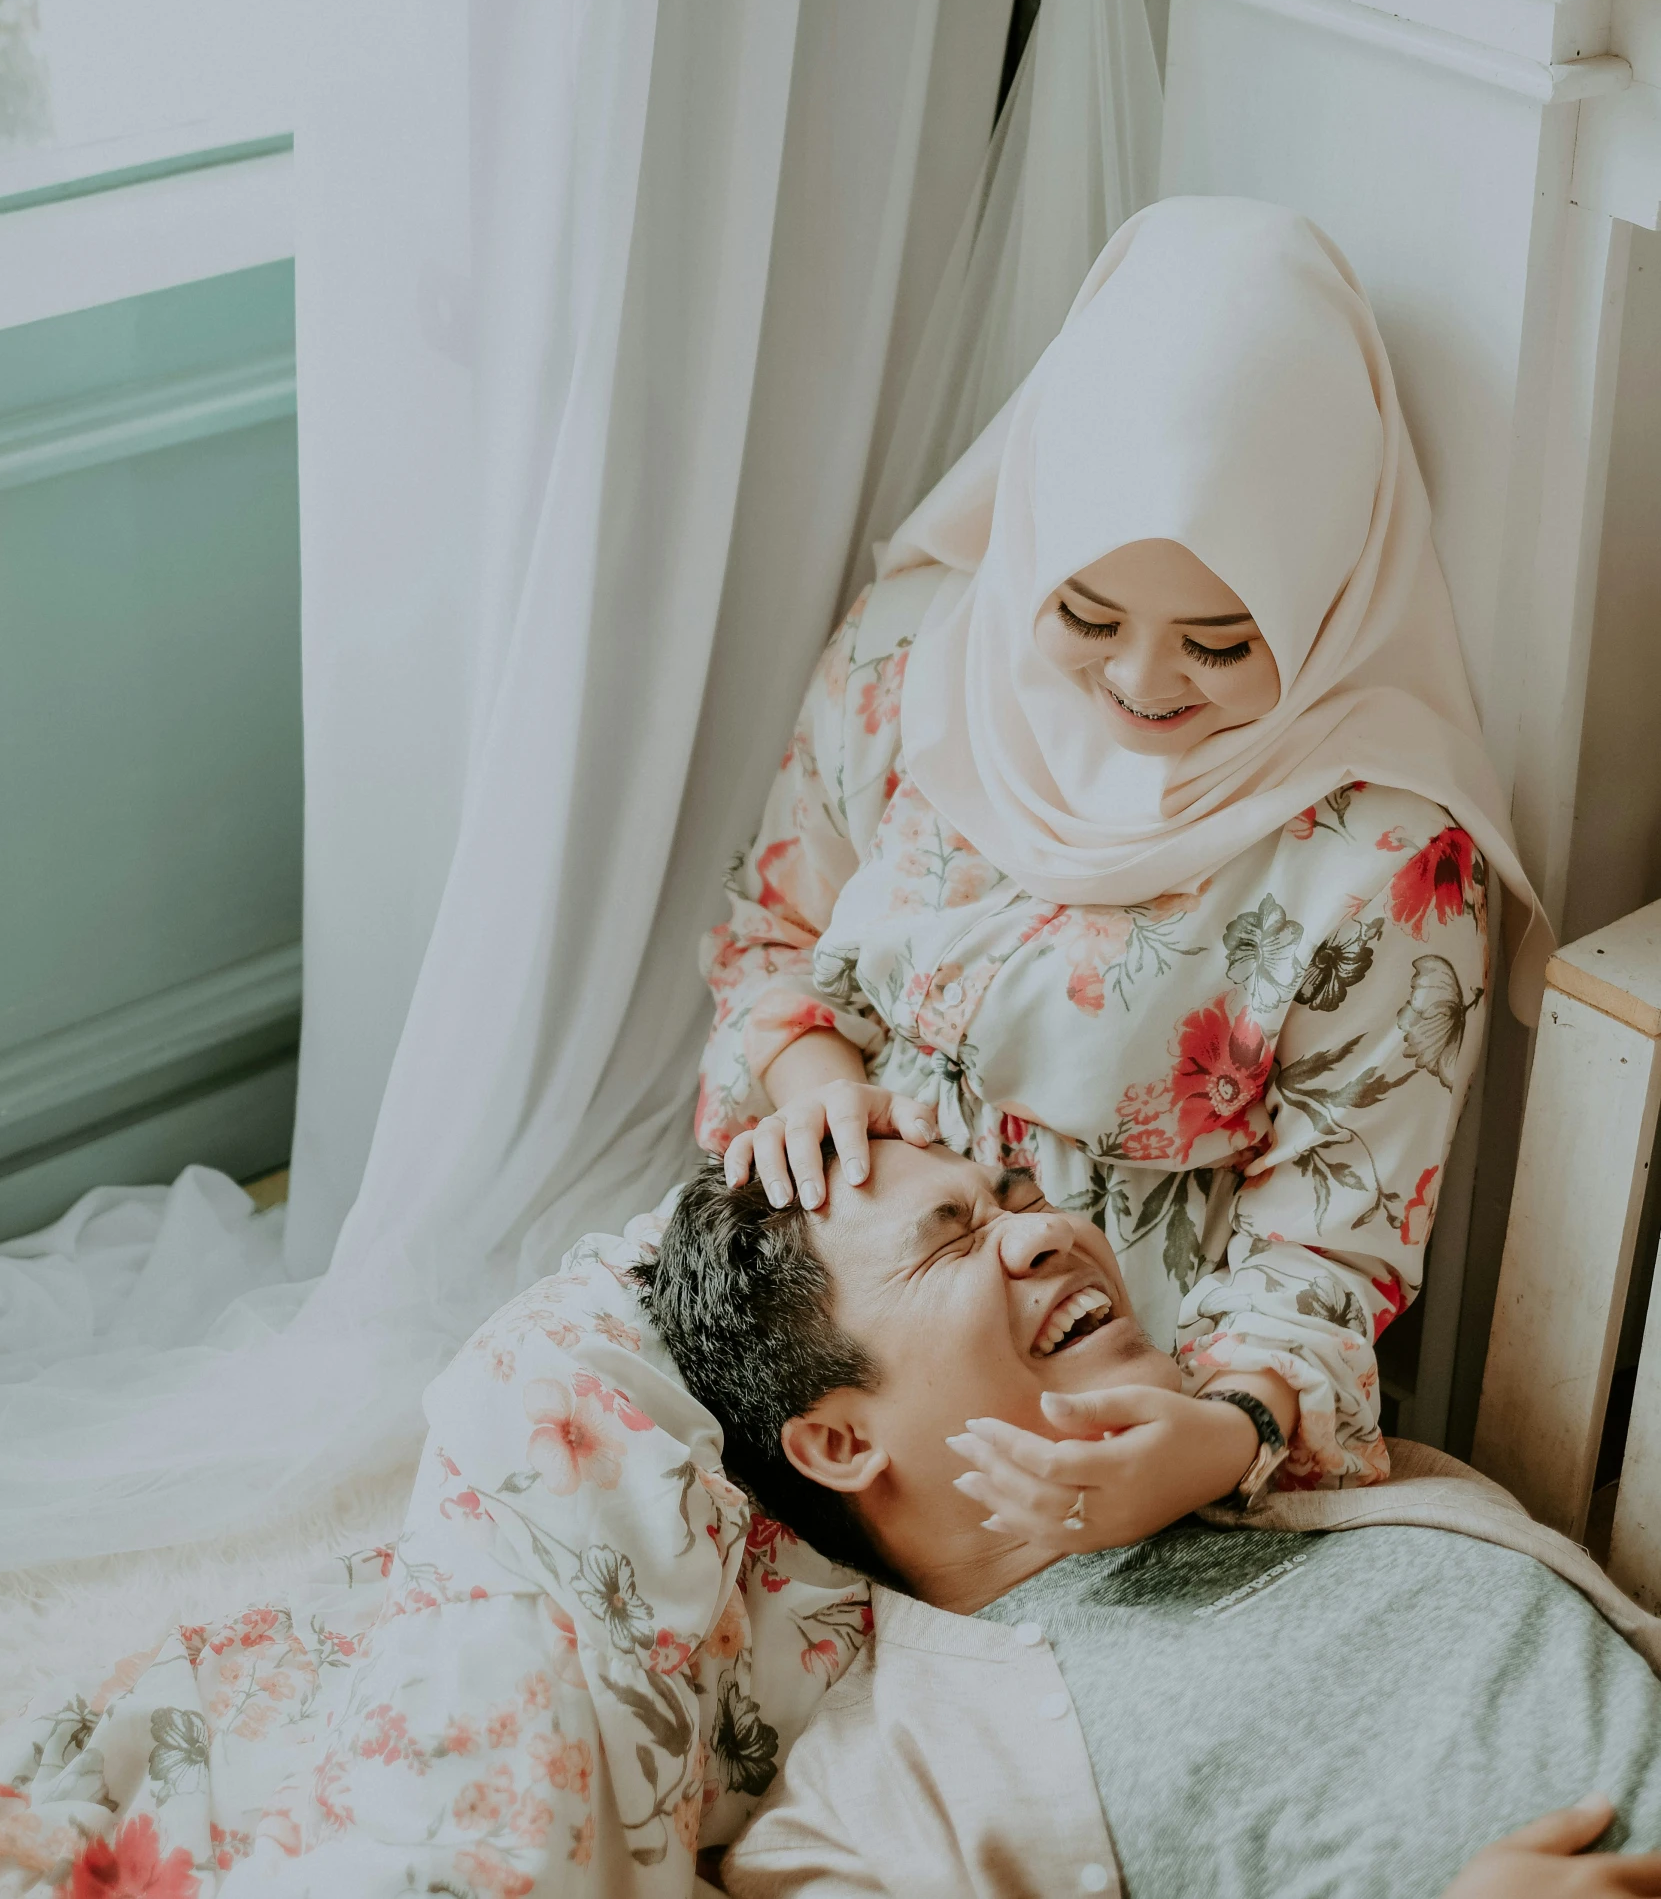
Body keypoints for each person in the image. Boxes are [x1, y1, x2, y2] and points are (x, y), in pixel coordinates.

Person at [698, 195, 1550, 1536]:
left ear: (1329, 583)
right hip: (800, 1313)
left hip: (1105, 1416)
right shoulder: (917, 653)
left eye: (1221, 640)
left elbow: (1326, 1244)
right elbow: (771, 932)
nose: (1143, 683)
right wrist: (807, 1071)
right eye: (1085, 615)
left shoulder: (1388, 859)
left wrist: (1215, 1437)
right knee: (559, 1446)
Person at [637, 1142, 1661, 1899]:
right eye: (952, 1242)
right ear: (842, 1443)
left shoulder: (1292, 1447)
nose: (1047, 1230)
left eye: (1017, 1195)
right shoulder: (867, 1814)